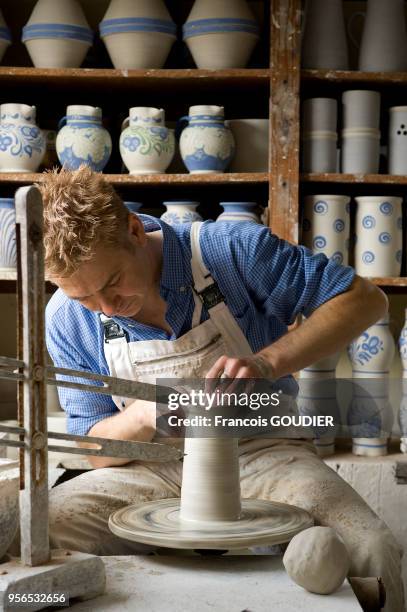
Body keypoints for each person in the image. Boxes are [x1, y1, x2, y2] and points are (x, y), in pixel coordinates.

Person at [40, 166, 402, 611]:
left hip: (263, 450)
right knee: (42, 531)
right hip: (148, 463)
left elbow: (366, 300)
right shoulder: (64, 317)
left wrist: (268, 361)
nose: (106, 307)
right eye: (84, 297)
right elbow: (95, 449)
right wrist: (141, 416)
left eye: (112, 282)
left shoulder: (228, 249)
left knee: (370, 550)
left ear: (134, 230)